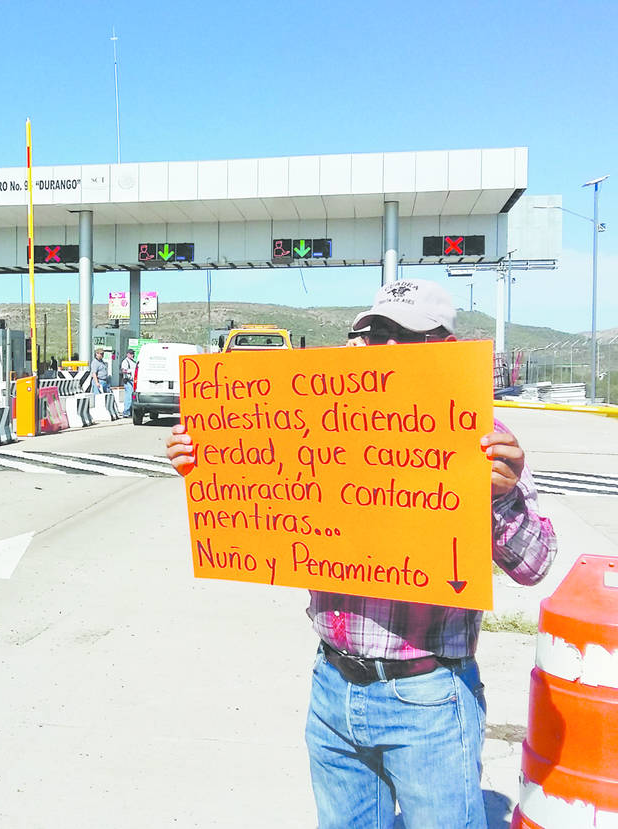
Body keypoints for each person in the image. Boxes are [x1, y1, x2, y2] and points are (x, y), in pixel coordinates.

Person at [165, 279, 557, 828]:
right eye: (376, 333)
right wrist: (212, 459)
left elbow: (536, 563)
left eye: (407, 335)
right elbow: (265, 491)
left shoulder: (485, 440)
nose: (389, 348)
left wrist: (501, 497)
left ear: (446, 347)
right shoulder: (317, 420)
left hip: (428, 699)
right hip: (332, 688)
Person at [120, 348, 136, 417]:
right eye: (131, 353)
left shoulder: (133, 362)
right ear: (128, 354)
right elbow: (123, 370)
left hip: (133, 381)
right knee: (128, 397)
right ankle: (126, 412)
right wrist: (129, 371)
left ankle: (131, 411)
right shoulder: (125, 361)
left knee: (132, 397)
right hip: (128, 381)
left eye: (133, 353)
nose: (133, 355)